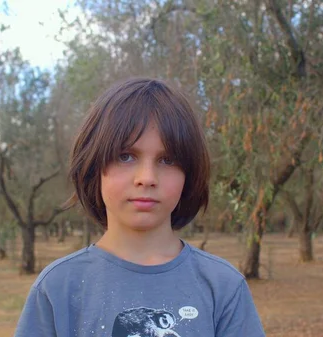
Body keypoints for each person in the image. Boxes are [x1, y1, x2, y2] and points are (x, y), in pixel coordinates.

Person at [14, 77, 266, 337]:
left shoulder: (223, 286)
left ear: (188, 175)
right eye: (125, 156)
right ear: (93, 167)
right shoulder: (58, 288)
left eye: (167, 160)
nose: (147, 177)